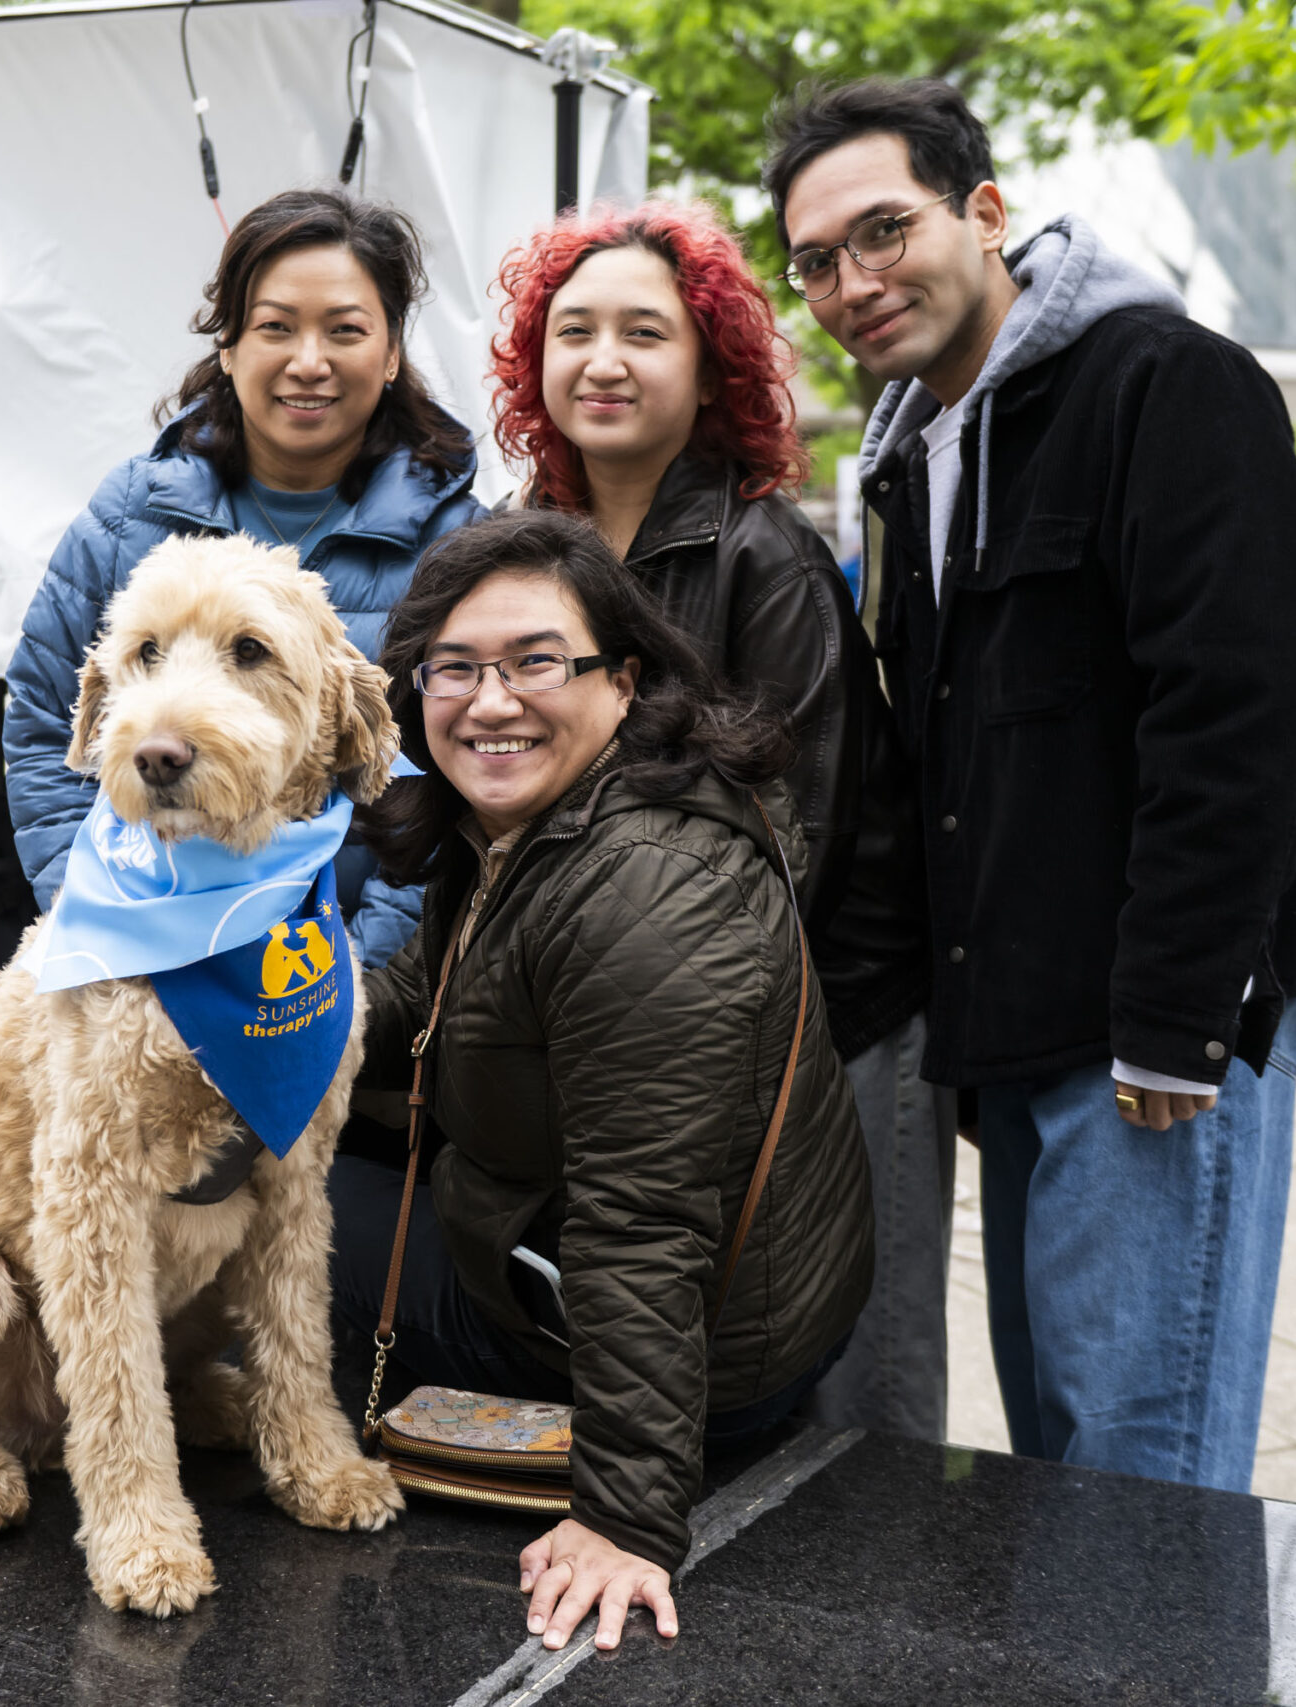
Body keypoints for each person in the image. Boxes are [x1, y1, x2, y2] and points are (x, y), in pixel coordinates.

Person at [763, 79, 1296, 1490]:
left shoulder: (1164, 380)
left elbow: (1248, 699)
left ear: (984, 212)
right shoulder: (920, 450)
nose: (852, 283)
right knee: (1058, 1463)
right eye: (816, 261)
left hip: (1157, 1038)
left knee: (1141, 1482)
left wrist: (1179, 1016)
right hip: (1028, 1027)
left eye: (882, 231)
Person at [336, 509, 874, 1652]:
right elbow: (419, 1003)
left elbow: (643, 1220)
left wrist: (625, 1518)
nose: (490, 701)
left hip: (700, 1348)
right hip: (610, 1270)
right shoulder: (532, 821)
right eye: (454, 668)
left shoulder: (643, 888)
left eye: (536, 662)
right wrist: (272, 1036)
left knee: (277, 1214)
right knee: (258, 1136)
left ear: (623, 681)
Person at [489, 202, 949, 1441]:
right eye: (572, 330)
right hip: (636, 1015)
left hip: (827, 1011)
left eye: (645, 331)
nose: (604, 360)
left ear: (708, 372)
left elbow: (797, 836)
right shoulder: (532, 553)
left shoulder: (767, 559)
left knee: (854, 1372)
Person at [4, 187, 483, 966]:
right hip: (135, 962)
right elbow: (39, 727)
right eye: (275, 327)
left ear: (393, 352)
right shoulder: (129, 514)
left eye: (345, 331)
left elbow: (461, 775)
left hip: (363, 978)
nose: (308, 362)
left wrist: (352, 977)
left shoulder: (460, 542)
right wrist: (105, 925)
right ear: (227, 345)